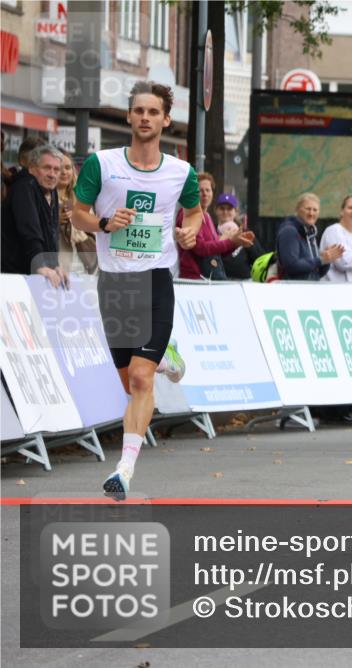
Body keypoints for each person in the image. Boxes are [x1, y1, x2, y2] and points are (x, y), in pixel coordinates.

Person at [70, 81, 202, 500]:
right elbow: (77, 215)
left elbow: (196, 213)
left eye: (153, 112)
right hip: (114, 282)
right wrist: (106, 223)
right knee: (130, 382)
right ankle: (166, 359)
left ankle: (124, 470)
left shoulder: (181, 171)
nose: (145, 117)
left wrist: (189, 233)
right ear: (129, 117)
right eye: (138, 110)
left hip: (155, 279)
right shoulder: (102, 164)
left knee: (141, 379)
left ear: (166, 120)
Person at [1, 143, 67, 287]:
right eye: (46, 168)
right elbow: (29, 231)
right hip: (13, 275)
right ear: (32, 169)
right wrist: (40, 265)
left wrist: (55, 265)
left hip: (31, 274)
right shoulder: (25, 186)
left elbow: (52, 234)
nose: (52, 174)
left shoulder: (51, 190)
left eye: (56, 170)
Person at [176, 174, 254, 280]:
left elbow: (215, 253)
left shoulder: (207, 217)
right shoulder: (187, 214)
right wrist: (231, 241)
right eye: (200, 190)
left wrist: (236, 242)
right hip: (194, 279)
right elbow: (200, 248)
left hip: (208, 278)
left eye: (208, 190)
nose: (205, 194)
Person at [276, 193, 344, 281]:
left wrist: (327, 260)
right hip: (293, 291)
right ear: (297, 210)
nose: (311, 213)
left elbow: (317, 273)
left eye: (315, 210)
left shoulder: (310, 233)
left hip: (310, 290)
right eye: (308, 209)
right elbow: (291, 265)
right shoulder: (289, 231)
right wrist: (321, 260)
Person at [56, 150, 98, 275]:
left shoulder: (82, 198)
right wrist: (55, 220)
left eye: (68, 167)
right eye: (59, 168)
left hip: (82, 263)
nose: (64, 172)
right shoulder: (44, 197)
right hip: (57, 264)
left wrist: (79, 220)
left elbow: (94, 230)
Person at [215, 193, 264, 280]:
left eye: (229, 209)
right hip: (217, 282)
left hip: (244, 282)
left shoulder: (245, 233)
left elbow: (259, 258)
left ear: (236, 212)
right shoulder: (211, 232)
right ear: (216, 210)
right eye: (222, 208)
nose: (225, 212)